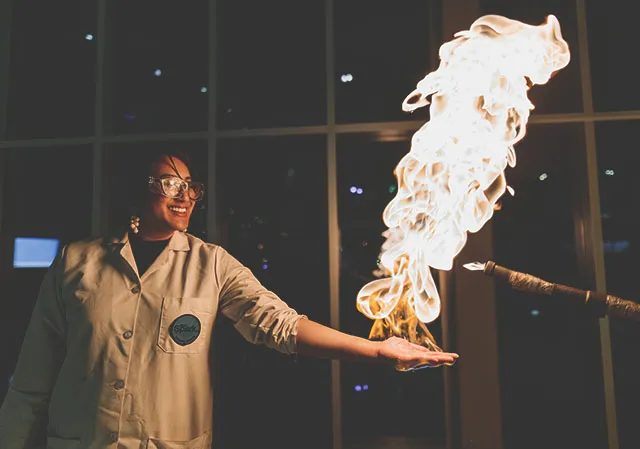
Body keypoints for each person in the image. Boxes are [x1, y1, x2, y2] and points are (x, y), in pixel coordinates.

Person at [0, 150, 458, 449]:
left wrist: (376, 349)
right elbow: (32, 379)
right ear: (140, 189)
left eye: (191, 187)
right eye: (169, 183)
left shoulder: (212, 263)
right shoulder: (77, 261)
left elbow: (280, 324)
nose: (185, 195)